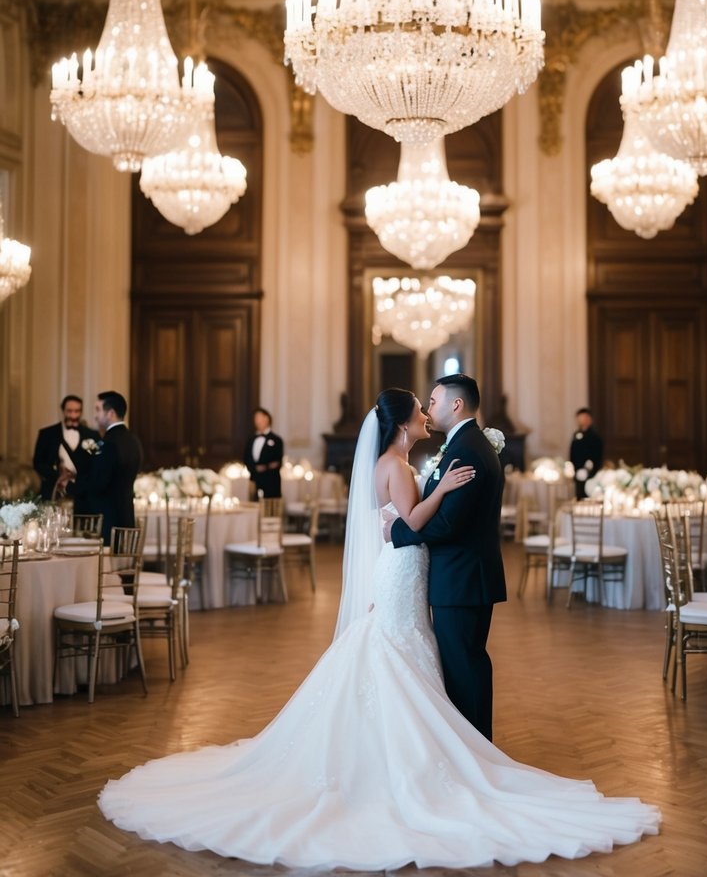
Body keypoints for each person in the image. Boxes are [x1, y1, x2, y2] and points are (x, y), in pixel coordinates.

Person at [98, 386, 660, 868]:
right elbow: (411, 522)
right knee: (399, 653)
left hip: (404, 572)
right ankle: (419, 762)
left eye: (429, 405)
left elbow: (399, 527)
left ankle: (430, 753)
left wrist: (431, 491)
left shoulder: (395, 463)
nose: (426, 415)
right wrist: (442, 489)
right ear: (400, 422)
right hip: (403, 570)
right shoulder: (397, 467)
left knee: (401, 652)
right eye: (419, 410)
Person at [389, 372, 505, 739]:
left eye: (434, 401)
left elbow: (448, 525)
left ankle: (477, 753)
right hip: (462, 576)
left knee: (465, 668)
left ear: (456, 405)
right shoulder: (464, 444)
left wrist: (395, 532)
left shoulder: (467, 449)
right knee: (462, 666)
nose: (429, 408)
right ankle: (474, 751)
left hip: (463, 578)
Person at [75, 391, 143, 542]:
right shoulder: (133, 441)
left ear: (110, 413)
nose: (95, 415)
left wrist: (74, 484)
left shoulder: (109, 443)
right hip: (126, 517)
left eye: (98, 410)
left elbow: (99, 482)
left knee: (105, 565)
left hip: (108, 522)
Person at [32, 394, 98, 501]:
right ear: (63, 411)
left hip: (83, 493)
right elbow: (37, 463)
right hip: (53, 490)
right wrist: (58, 475)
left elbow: (97, 462)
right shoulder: (47, 434)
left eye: (77, 411)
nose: (73, 415)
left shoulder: (91, 435)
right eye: (69, 411)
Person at [242, 407, 283, 498]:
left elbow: (278, 462)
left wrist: (266, 466)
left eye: (259, 417)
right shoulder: (251, 440)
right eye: (255, 418)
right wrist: (254, 468)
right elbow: (246, 458)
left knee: (270, 508)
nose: (257, 421)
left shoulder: (276, 440)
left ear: (266, 418)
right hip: (255, 480)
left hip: (271, 482)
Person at [569, 407, 604, 500]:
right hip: (577, 471)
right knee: (578, 495)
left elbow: (596, 455)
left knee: (588, 495)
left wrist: (588, 469)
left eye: (583, 417)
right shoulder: (576, 434)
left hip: (590, 474)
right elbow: (572, 452)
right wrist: (573, 467)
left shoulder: (594, 436)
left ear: (589, 419)